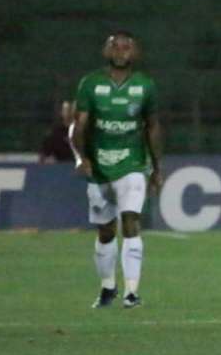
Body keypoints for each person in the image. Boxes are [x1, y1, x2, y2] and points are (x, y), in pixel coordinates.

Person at [70, 30, 163, 309]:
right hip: (99, 166)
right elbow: (79, 126)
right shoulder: (90, 84)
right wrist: (79, 157)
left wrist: (157, 167)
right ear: (106, 51)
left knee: (131, 221)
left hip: (133, 164)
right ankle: (108, 287)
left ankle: (132, 292)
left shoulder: (145, 86)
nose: (121, 51)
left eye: (127, 47)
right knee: (106, 231)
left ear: (136, 53)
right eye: (115, 46)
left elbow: (153, 126)